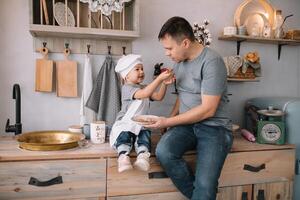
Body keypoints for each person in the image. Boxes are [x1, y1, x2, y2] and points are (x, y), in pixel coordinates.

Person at [144, 17, 233, 200]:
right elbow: (183, 96)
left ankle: (202, 194)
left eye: (169, 48)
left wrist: (168, 121)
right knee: (164, 152)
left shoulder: (212, 62)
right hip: (187, 126)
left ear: (185, 43)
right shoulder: (180, 62)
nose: (167, 53)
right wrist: (168, 121)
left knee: (205, 185)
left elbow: (208, 110)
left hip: (214, 128)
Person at [110, 54, 174, 173]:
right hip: (126, 123)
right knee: (124, 136)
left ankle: (143, 156)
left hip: (140, 123)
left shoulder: (144, 87)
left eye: (142, 69)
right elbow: (144, 94)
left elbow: (159, 97)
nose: (141, 71)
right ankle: (123, 157)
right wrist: (159, 79)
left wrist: (164, 83)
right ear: (126, 76)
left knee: (144, 135)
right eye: (137, 69)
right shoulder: (127, 88)